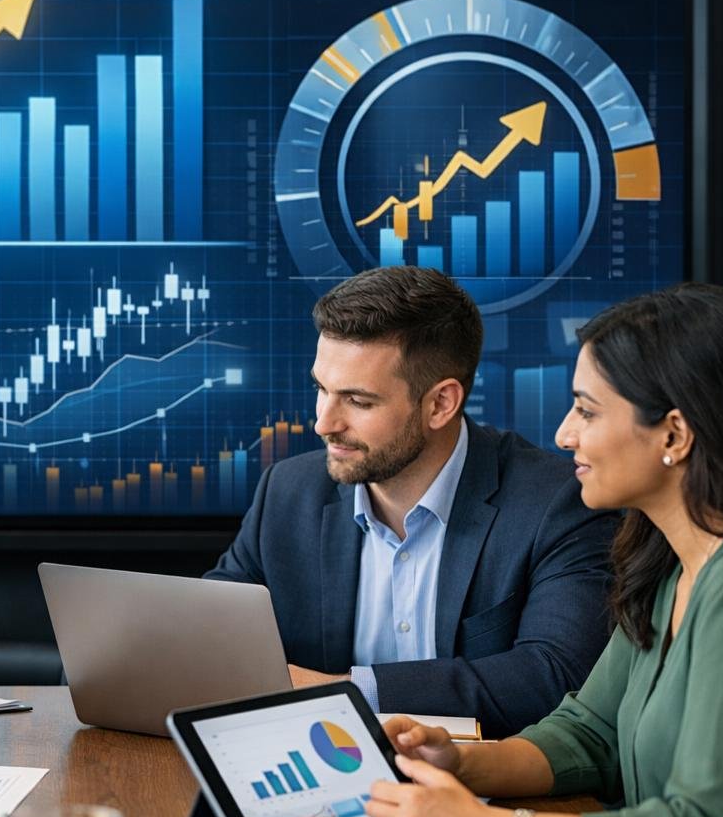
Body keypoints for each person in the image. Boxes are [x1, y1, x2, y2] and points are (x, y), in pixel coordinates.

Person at [366, 283, 723, 817]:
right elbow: (591, 731)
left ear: (673, 433)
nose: (564, 435)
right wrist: (462, 763)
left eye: (587, 410)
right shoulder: (670, 564)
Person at [208, 267, 617, 736]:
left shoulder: (557, 502)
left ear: (441, 403)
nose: (324, 423)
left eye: (358, 401)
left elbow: (555, 676)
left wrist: (339, 694)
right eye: (322, 389)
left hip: (485, 791)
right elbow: (214, 633)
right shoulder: (287, 491)